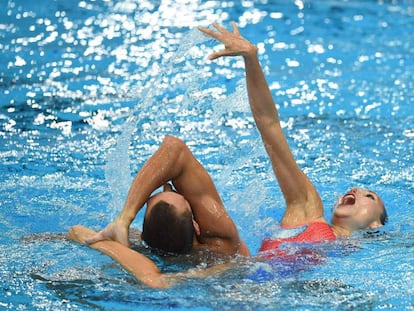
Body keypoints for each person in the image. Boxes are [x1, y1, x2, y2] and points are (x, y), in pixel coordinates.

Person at [197, 22, 388, 257]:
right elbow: (269, 125)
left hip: (256, 289)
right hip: (244, 284)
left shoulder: (361, 257)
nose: (355, 189)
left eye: (370, 196)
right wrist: (251, 59)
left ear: (374, 225)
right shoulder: (307, 209)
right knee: (175, 152)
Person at [68, 134, 249, 288]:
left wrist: (120, 223)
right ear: (196, 225)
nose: (167, 186)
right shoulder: (221, 246)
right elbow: (174, 147)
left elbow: (76, 231)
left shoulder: (138, 246)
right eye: (184, 199)